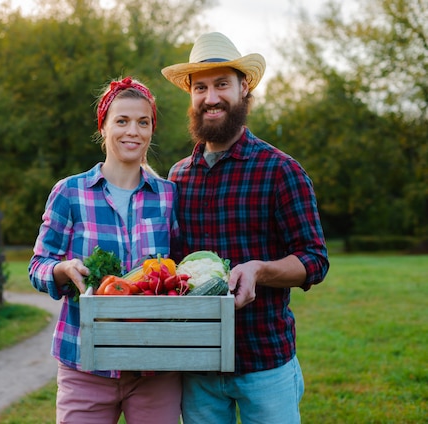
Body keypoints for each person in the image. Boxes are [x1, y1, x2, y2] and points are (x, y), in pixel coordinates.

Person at [161, 32, 330, 423]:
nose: (211, 97)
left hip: (264, 361)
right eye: (200, 87)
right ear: (191, 97)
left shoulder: (280, 170)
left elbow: (314, 260)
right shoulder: (178, 177)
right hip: (198, 366)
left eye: (222, 84)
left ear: (244, 88)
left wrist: (260, 269)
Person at [28, 76, 182, 424]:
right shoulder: (70, 192)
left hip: (154, 366)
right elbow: (38, 264)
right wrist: (61, 270)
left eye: (143, 122)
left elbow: (182, 272)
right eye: (122, 121)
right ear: (104, 127)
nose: (133, 131)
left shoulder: (168, 196)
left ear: (152, 130)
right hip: (85, 362)